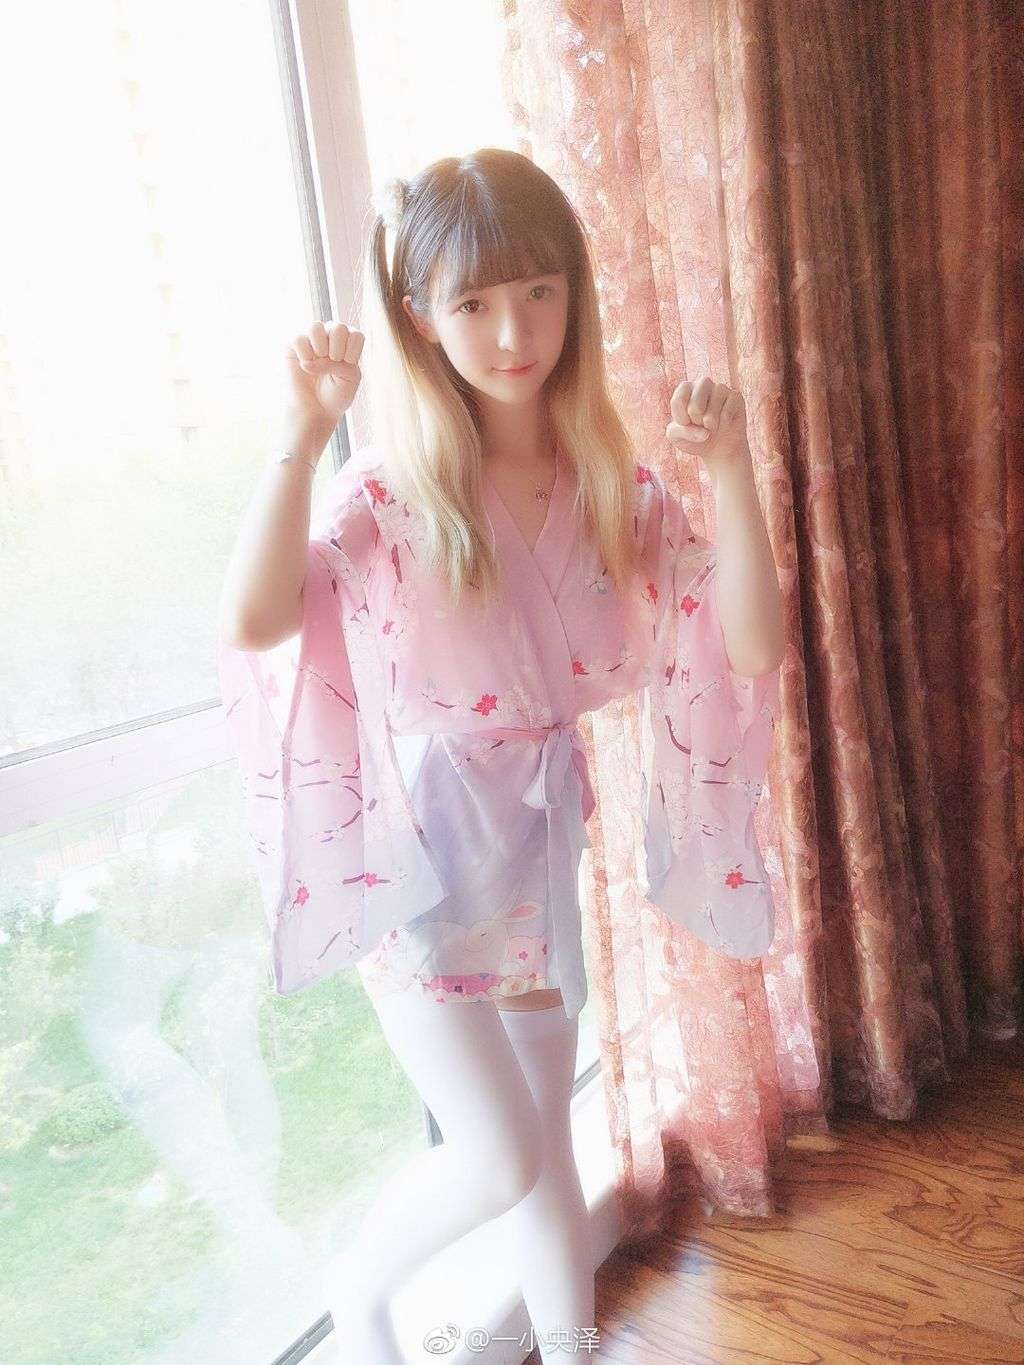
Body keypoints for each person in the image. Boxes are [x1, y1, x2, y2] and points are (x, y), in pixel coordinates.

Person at [217, 147, 782, 1362]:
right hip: (422, 860)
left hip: (534, 841)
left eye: (537, 290)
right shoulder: (393, 493)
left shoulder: (612, 487)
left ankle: (569, 1345)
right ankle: (360, 1291)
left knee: (541, 1152)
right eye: (472, 302)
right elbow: (257, 623)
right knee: (497, 1155)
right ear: (422, 320)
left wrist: (732, 473)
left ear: (573, 291)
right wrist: (301, 431)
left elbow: (747, 642)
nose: (513, 330)